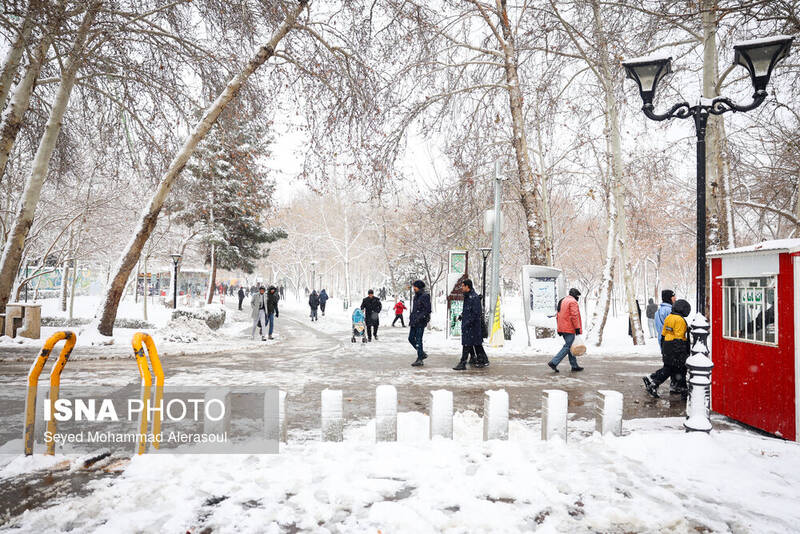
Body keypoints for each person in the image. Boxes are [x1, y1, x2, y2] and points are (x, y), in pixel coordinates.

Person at [643, 299, 691, 398]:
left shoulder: (669, 317)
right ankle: (655, 383)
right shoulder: (680, 320)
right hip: (676, 346)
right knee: (674, 368)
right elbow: (679, 337)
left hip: (667, 345)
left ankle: (674, 385)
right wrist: (682, 352)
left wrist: (664, 347)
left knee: (670, 367)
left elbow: (664, 333)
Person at [453, 279, 489, 370]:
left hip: (472, 327)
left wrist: (468, 322)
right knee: (476, 344)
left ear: (467, 286)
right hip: (469, 325)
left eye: (463, 286)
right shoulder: (468, 296)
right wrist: (462, 316)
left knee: (467, 344)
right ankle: (482, 360)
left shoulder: (473, 297)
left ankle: (463, 362)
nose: (462, 287)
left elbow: (476, 313)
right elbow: (468, 311)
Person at [548, 288, 584, 373]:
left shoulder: (562, 300)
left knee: (570, 346)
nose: (578, 298)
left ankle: (574, 366)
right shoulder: (573, 302)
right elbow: (574, 316)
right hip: (569, 328)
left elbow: (558, 315)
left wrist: (559, 328)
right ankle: (554, 362)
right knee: (568, 346)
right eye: (578, 296)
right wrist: (577, 328)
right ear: (575, 295)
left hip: (563, 328)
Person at [409, 280, 431, 367]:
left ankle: (420, 359)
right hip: (414, 321)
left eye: (415, 286)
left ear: (419, 287)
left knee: (418, 339)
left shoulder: (425, 296)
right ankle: (421, 353)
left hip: (420, 322)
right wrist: (412, 317)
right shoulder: (416, 296)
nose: (413, 288)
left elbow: (428, 310)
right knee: (411, 338)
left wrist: (419, 318)